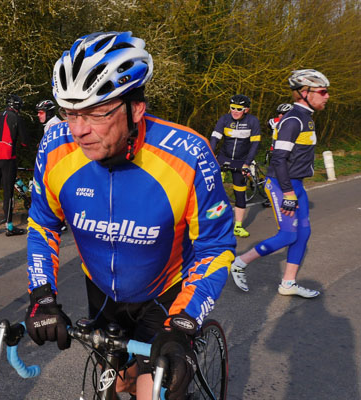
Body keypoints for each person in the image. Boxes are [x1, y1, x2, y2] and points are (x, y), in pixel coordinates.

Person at [24, 31, 235, 400]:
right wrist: (41, 294)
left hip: (165, 294)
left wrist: (184, 323)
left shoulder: (188, 155)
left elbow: (214, 247)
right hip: (102, 293)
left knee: (153, 393)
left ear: (135, 109)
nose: (78, 130)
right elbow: (43, 224)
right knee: (118, 384)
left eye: (96, 113)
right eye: (70, 112)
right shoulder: (55, 146)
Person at [230, 69, 329, 298]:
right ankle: (239, 263)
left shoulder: (306, 118)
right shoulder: (293, 120)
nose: (327, 96)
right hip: (281, 184)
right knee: (288, 235)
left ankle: (288, 283)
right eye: (322, 91)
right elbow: (278, 159)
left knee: (303, 234)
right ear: (304, 93)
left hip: (296, 185)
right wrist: (288, 193)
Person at [210, 94, 262, 238]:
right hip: (223, 158)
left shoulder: (252, 121)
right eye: (232, 107)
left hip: (241, 161)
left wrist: (247, 163)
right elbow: (214, 139)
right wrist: (210, 156)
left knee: (240, 193)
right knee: (212, 189)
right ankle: (212, 222)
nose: (235, 111)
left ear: (246, 110)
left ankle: (238, 226)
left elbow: (255, 145)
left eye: (239, 109)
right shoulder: (224, 119)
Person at [0, 94, 28, 236]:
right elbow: (25, 142)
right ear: (17, 106)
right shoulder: (16, 118)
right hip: (8, 159)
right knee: (8, 192)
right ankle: (9, 227)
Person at [35, 99, 67, 232]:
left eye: (41, 112)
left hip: (55, 165)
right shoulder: (51, 124)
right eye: (38, 112)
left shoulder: (54, 125)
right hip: (55, 164)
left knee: (53, 194)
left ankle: (60, 222)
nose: (38, 115)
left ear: (48, 113)